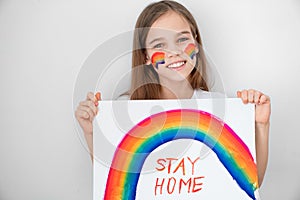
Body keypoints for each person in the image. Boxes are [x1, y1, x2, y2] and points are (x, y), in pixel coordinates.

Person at [75, 0, 270, 187]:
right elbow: (114, 183)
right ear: (146, 56)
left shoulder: (220, 107)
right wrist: (91, 132)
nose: (175, 52)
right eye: (159, 45)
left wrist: (261, 124)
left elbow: (252, 182)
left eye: (182, 39)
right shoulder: (127, 108)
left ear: (196, 42)